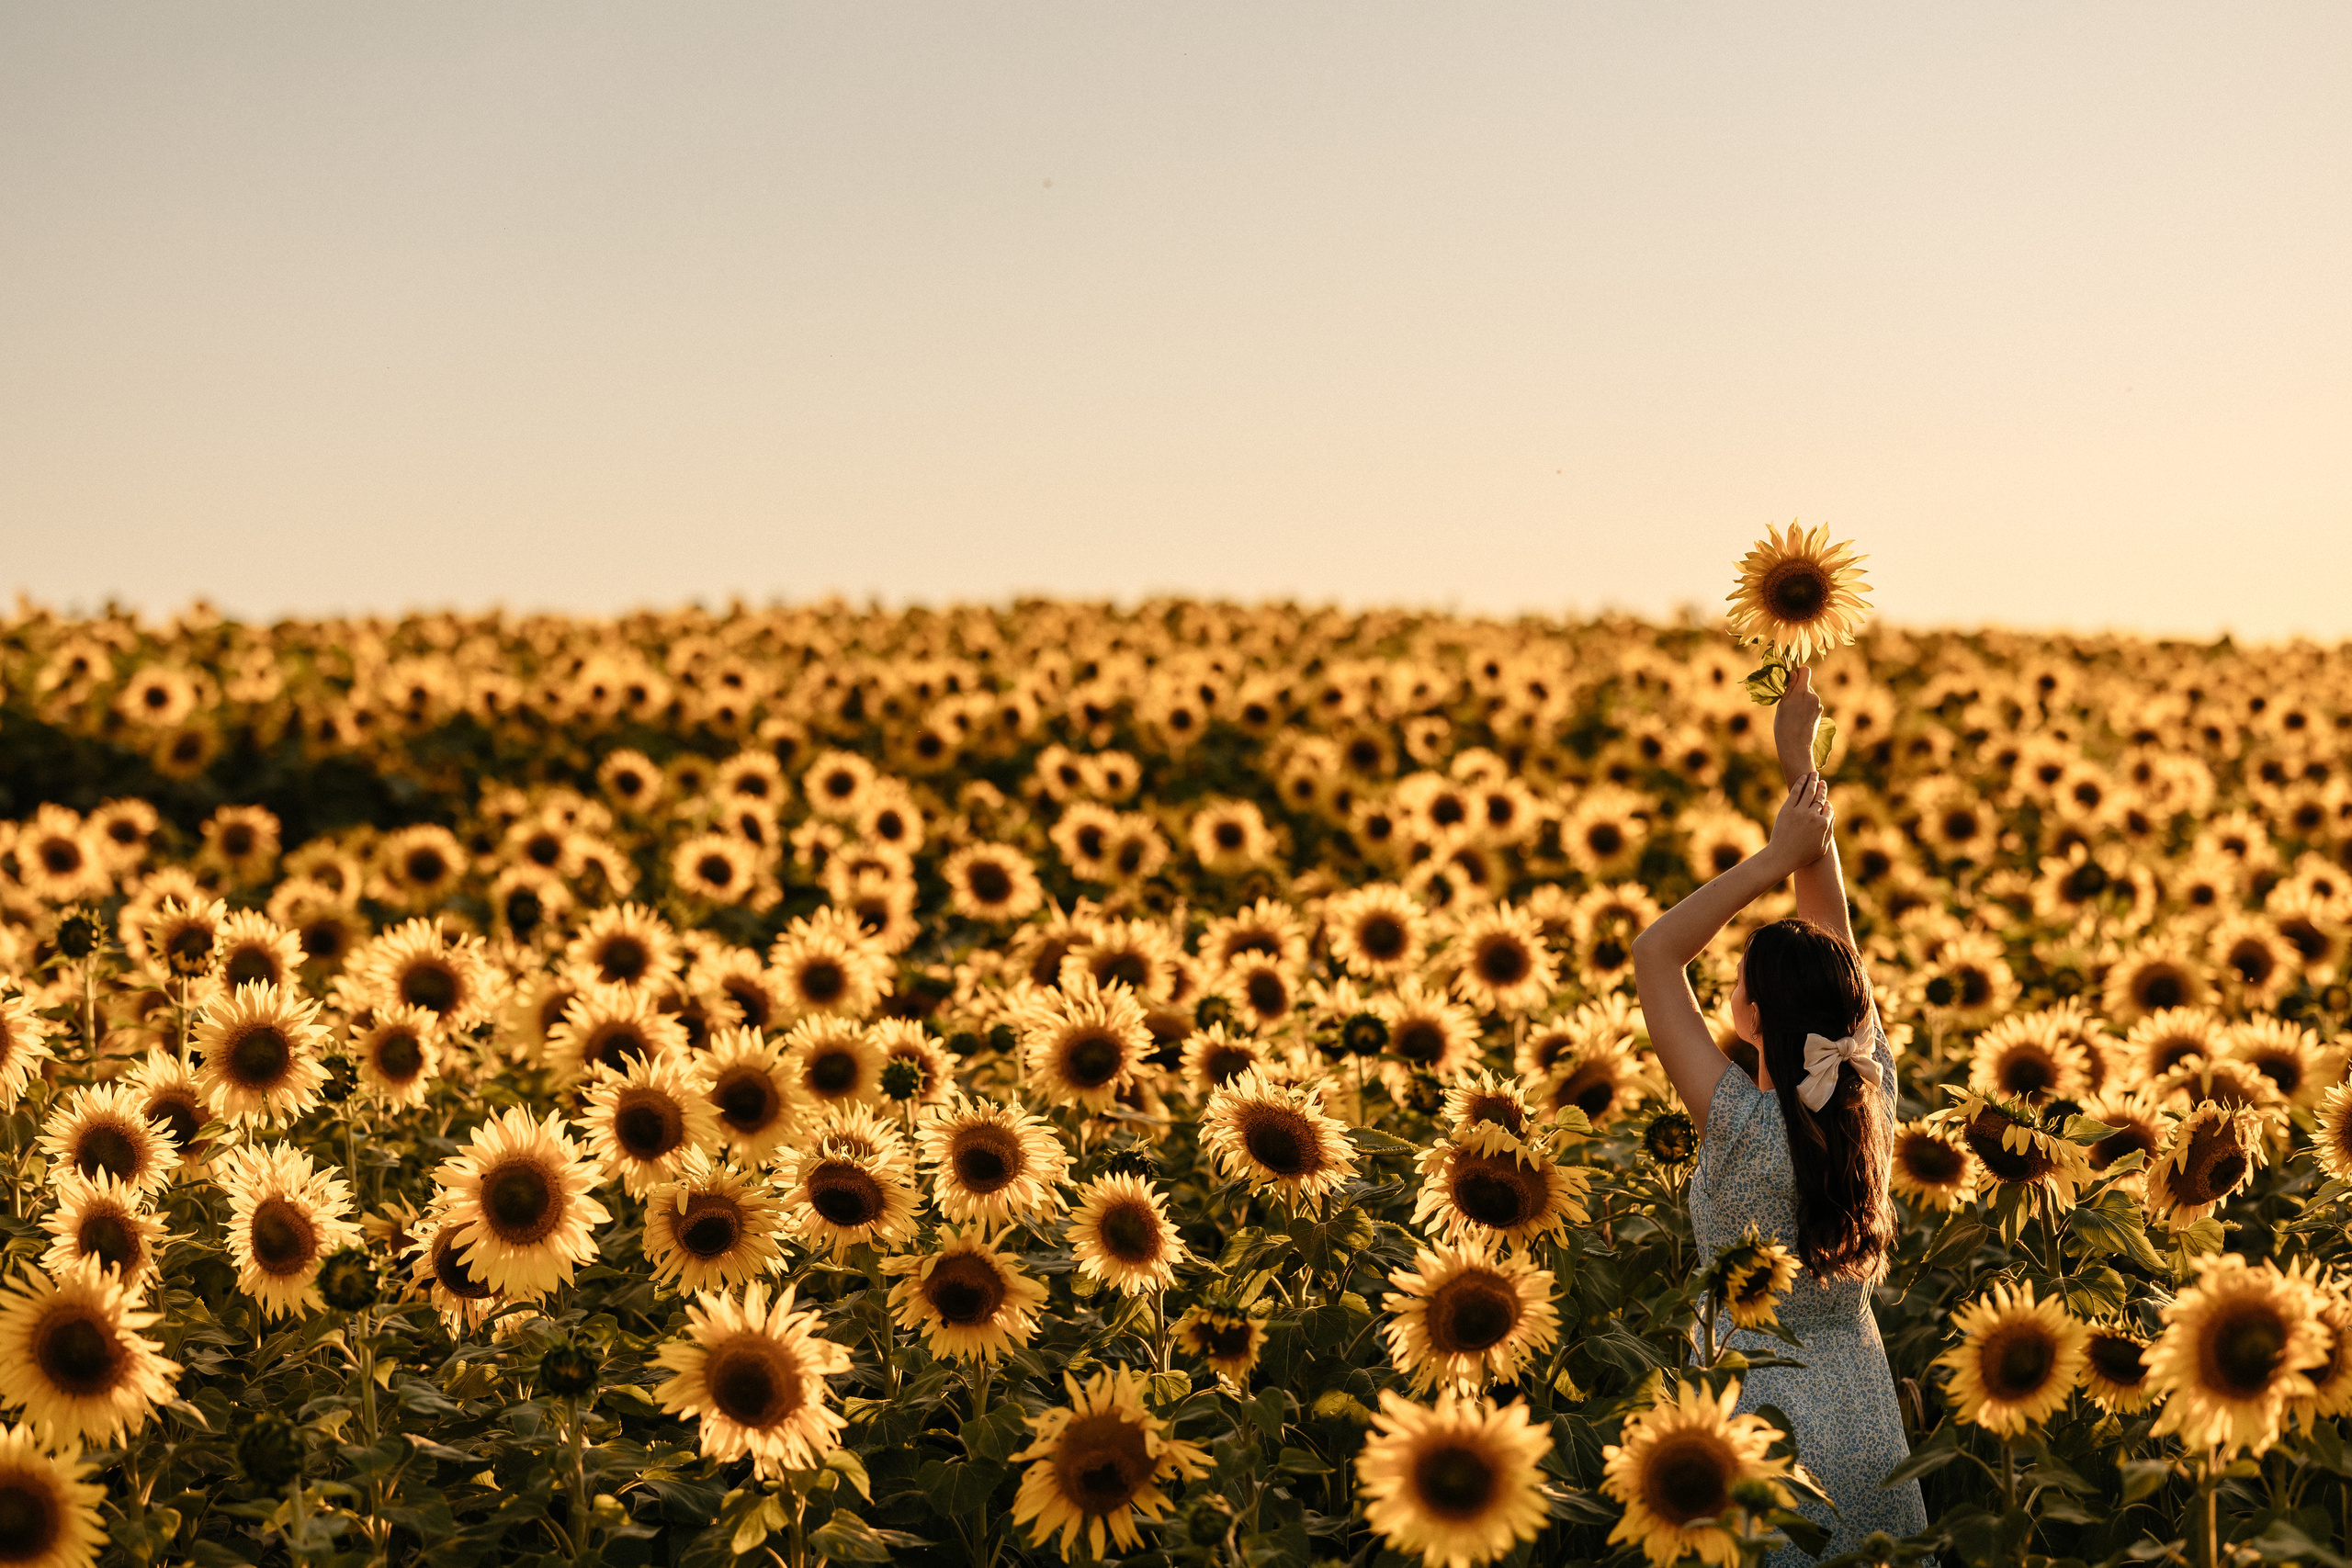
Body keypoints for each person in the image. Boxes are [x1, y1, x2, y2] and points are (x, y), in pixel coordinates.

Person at [1631, 665, 1928, 1562]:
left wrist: (1770, 856)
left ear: (1751, 1013)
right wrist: (1799, 768)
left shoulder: (1738, 1121)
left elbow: (1655, 953)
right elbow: (1832, 937)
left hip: (1758, 1421)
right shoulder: (1864, 1093)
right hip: (1866, 1415)